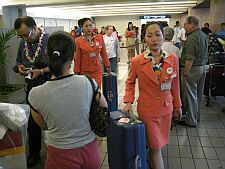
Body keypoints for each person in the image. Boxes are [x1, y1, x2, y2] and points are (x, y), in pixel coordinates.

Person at [28, 31, 108, 169]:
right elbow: (104, 106)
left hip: (59, 155)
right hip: (90, 152)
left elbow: (44, 126)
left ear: (47, 54)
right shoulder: (88, 82)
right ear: (73, 56)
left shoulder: (35, 94)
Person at [123, 22, 182, 169]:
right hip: (148, 110)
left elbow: (175, 84)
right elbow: (130, 82)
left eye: (157, 34)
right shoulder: (137, 61)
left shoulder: (173, 59)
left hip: (166, 108)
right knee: (156, 148)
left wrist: (178, 105)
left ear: (163, 37)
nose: (154, 39)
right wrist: (128, 101)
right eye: (150, 35)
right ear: (145, 39)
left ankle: (149, 158)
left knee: (158, 143)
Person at [13, 16, 51, 167]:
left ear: (35, 27)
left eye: (26, 34)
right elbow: (18, 62)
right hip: (32, 86)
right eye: (20, 36)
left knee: (52, 119)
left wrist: (41, 71)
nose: (23, 38)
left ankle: (57, 151)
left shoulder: (49, 40)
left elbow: (60, 66)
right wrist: (19, 68)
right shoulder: (23, 42)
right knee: (32, 122)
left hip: (49, 85)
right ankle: (34, 153)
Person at [180, 16, 208, 127]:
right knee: (198, 94)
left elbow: (189, 58)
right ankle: (196, 117)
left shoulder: (192, 38)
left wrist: (186, 72)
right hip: (202, 68)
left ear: (191, 24)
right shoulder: (203, 35)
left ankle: (191, 120)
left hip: (193, 69)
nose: (184, 27)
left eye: (185, 24)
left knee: (190, 95)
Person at [74, 18, 110, 87]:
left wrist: (107, 66)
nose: (89, 28)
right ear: (82, 27)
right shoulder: (78, 41)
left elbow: (104, 53)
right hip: (84, 71)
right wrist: (76, 72)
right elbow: (77, 58)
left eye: (90, 25)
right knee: (87, 92)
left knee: (97, 90)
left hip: (97, 70)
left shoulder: (99, 37)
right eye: (86, 26)